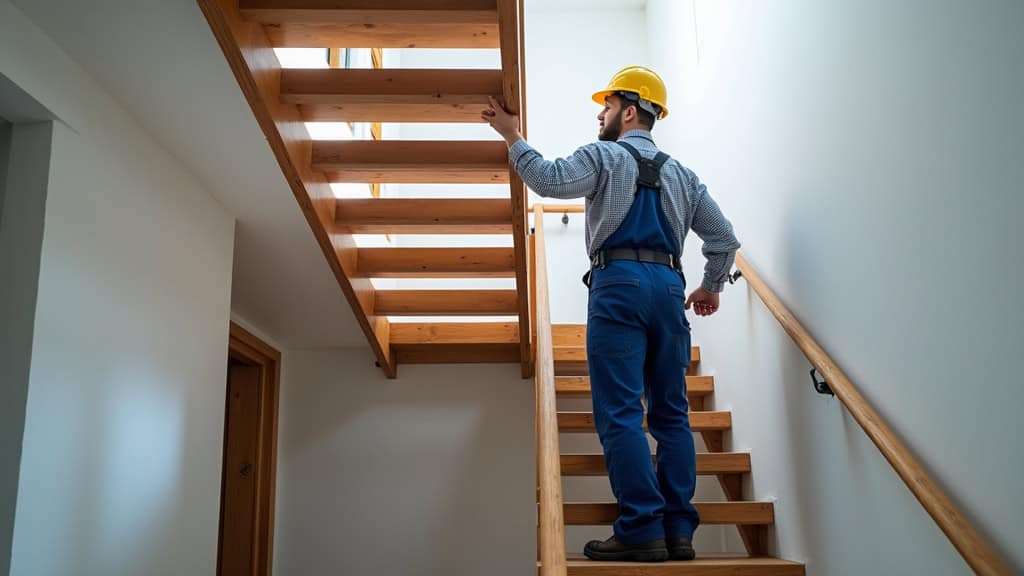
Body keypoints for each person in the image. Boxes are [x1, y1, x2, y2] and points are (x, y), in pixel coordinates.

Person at [483, 65, 741, 563]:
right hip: (669, 287)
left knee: (621, 411)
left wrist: (511, 134)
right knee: (672, 414)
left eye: (606, 106)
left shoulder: (602, 155)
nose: (599, 115)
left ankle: (641, 528)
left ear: (629, 111)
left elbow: (549, 179)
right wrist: (710, 287)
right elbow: (724, 239)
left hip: (619, 284)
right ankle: (679, 532)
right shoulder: (685, 176)